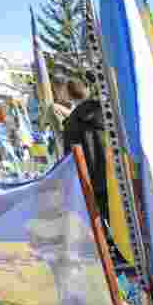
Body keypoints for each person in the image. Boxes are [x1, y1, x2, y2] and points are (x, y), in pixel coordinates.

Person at [62, 75, 110, 222]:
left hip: (92, 182)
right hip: (116, 175)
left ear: (69, 96)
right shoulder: (108, 110)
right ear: (87, 89)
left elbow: (70, 161)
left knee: (105, 223)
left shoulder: (70, 124)